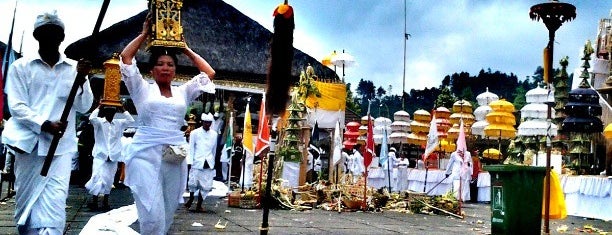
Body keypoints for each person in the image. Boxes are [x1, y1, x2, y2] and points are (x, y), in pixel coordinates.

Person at [119, 15, 215, 234]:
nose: (165, 68)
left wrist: (185, 48)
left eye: (170, 65)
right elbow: (125, 57)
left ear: (175, 70)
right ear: (152, 70)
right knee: (151, 210)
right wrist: (144, 34)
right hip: (145, 154)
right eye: (160, 64)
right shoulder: (142, 88)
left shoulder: (184, 92)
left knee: (168, 208)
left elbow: (209, 73)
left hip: (174, 155)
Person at [1, 11, 94, 234]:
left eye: (54, 33)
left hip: (61, 150)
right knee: (27, 200)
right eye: (44, 33)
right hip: (30, 146)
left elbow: (84, 106)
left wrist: (82, 80)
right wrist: (44, 124)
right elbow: (17, 106)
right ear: (36, 37)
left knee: (55, 202)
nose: (50, 38)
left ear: (62, 38)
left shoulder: (75, 69)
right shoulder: (21, 68)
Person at [84, 105, 135, 211]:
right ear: (105, 112)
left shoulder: (119, 123)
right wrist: (99, 106)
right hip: (100, 155)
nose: (110, 114)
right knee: (96, 177)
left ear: (115, 113)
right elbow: (91, 118)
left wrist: (123, 108)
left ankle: (105, 202)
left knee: (108, 179)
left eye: (112, 112)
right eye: (108, 112)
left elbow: (131, 120)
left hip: (113, 156)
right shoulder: (99, 122)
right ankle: (95, 201)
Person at [185, 113, 218, 212]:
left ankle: (199, 204)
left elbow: (214, 149)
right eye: (206, 123)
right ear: (202, 122)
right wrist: (190, 161)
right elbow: (191, 148)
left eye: (209, 123)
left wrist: (214, 161)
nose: (207, 124)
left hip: (208, 161)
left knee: (206, 185)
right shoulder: (195, 133)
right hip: (197, 160)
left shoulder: (214, 134)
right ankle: (191, 199)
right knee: (193, 183)